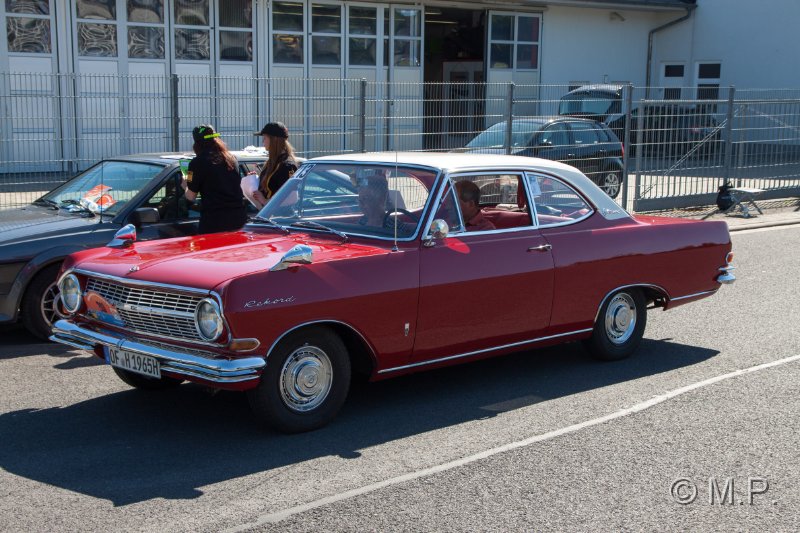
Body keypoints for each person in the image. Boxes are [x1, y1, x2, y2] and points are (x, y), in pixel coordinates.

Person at [182, 124, 247, 234]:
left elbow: (190, 196)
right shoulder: (231, 159)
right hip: (238, 219)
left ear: (196, 143)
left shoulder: (197, 162)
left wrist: (185, 185)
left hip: (215, 222)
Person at [250, 121, 299, 209]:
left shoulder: (287, 165)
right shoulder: (273, 161)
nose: (263, 141)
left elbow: (292, 198)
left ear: (274, 139)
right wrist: (254, 180)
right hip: (269, 217)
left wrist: (265, 202)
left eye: (265, 138)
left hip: (281, 219)